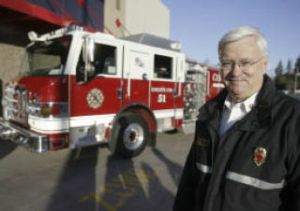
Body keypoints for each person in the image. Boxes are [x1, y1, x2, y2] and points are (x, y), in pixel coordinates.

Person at [173, 26, 300, 211]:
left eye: (245, 62)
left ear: (264, 64)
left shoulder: (292, 119)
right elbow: (189, 183)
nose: (235, 72)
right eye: (227, 63)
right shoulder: (208, 115)